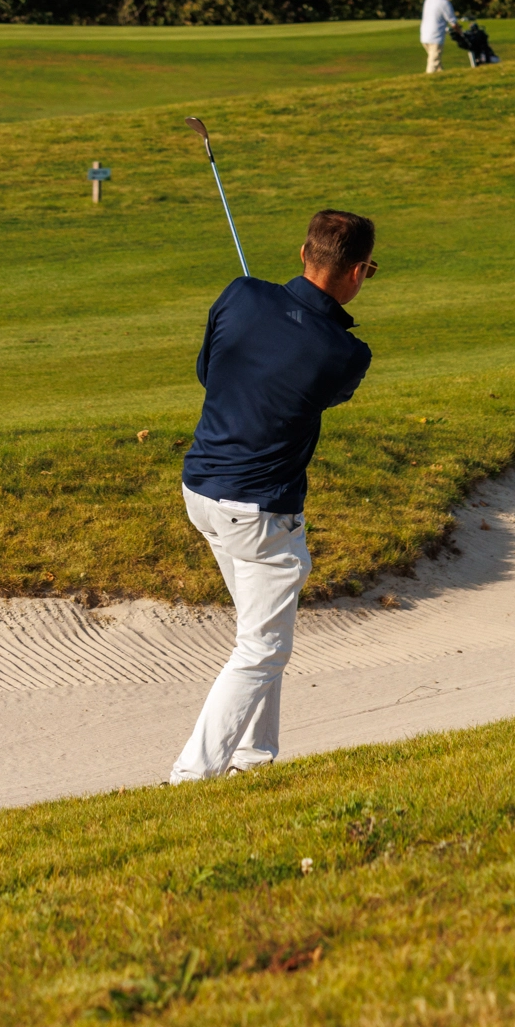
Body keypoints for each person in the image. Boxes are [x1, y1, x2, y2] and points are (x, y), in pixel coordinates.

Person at [169, 210, 376, 784]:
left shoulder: (239, 294)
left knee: (257, 633)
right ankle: (192, 776)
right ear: (357, 272)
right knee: (262, 649)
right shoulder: (346, 353)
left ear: (302, 253)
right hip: (260, 516)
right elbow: (325, 392)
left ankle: (254, 759)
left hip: (200, 492)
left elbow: (209, 372)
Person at [421, 0, 458, 73]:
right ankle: (427, 83)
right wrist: (460, 32)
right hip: (435, 37)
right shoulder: (444, 2)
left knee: (436, 62)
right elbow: (453, 22)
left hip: (424, 36)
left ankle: (443, 78)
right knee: (433, 63)